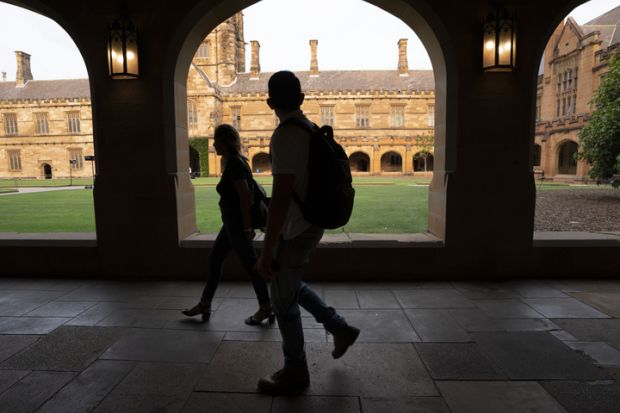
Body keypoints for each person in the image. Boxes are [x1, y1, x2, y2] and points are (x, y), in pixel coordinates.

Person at [255, 71, 360, 395]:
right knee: (290, 285)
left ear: (270, 102)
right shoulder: (310, 129)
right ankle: (339, 328)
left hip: (297, 227)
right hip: (312, 223)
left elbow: (282, 196)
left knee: (282, 300)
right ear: (301, 99)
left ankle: (296, 371)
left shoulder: (285, 135)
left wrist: (266, 248)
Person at [182, 124, 274, 326]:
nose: (214, 144)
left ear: (226, 142)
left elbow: (245, 196)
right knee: (215, 259)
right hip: (231, 224)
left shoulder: (234, 163)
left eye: (217, 141)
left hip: (238, 225)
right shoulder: (236, 161)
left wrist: (247, 227)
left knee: (251, 266)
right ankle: (205, 303)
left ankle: (266, 306)